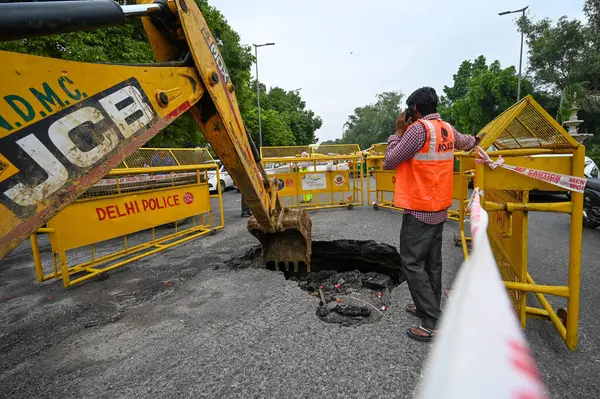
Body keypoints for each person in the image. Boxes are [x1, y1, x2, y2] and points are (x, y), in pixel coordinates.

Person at [383, 87, 480, 343]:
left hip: (419, 207)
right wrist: (478, 139)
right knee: (431, 263)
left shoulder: (417, 130)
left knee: (412, 263)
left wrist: (397, 132)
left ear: (414, 109)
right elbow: (468, 143)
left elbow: (390, 161)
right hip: (439, 206)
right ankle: (429, 307)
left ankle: (432, 321)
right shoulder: (446, 127)